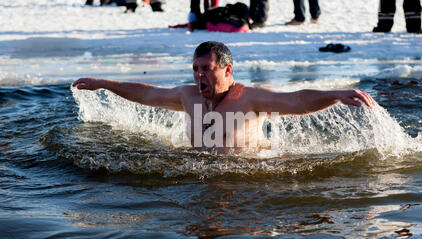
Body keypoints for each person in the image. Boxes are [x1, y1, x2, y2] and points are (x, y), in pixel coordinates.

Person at [73, 41, 375, 153]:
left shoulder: (250, 98)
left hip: (243, 175)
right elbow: (146, 94)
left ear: (227, 70)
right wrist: (104, 83)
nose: (199, 76)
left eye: (207, 69)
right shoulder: (187, 95)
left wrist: (335, 94)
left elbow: (295, 101)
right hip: (197, 172)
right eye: (195, 69)